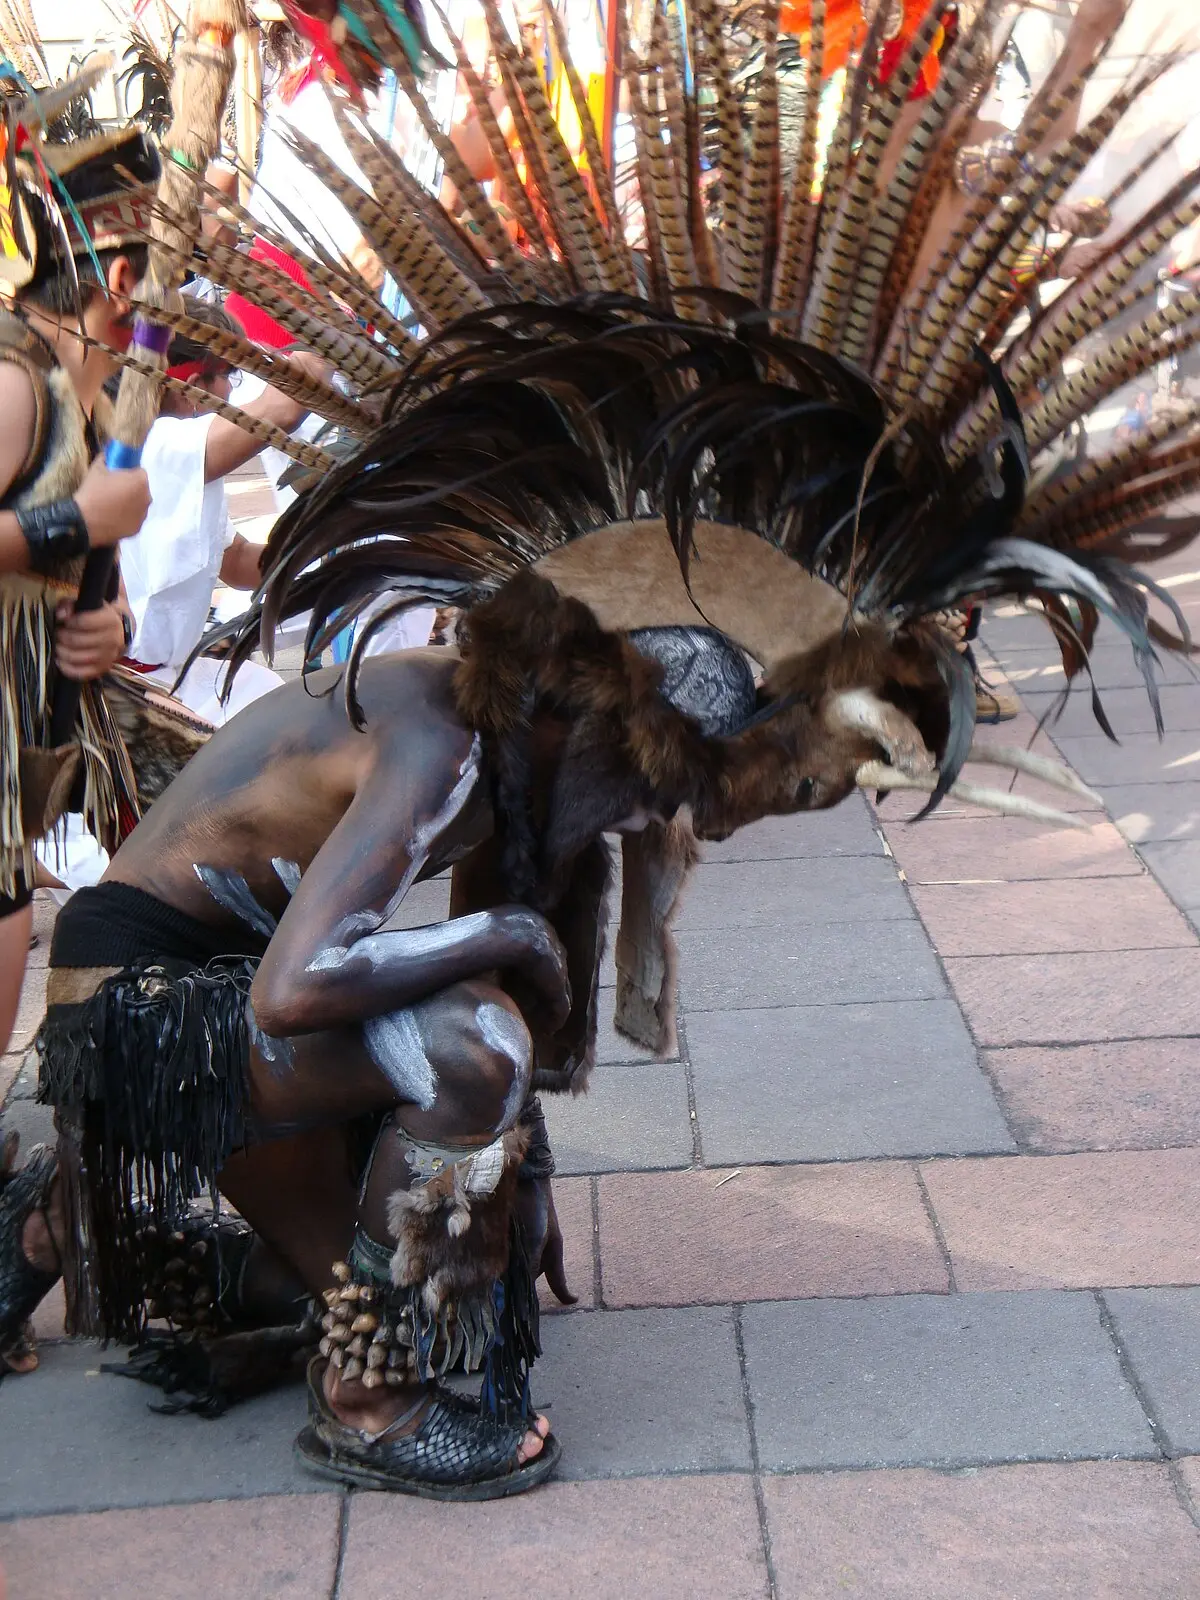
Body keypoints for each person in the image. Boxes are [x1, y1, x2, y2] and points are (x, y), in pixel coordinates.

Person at [4, 0, 1194, 1500]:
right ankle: (361, 1409)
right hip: (142, 998)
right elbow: (316, 981)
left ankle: (49, 1225)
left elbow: (392, 985)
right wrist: (505, 957)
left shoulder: (501, 740)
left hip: (208, 984)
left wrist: (492, 1172)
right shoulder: (435, 723)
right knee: (477, 1043)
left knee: (459, 1083)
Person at [0, 107, 156, 1070]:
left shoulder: (83, 399)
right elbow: (68, 529)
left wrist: (109, 620)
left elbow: (86, 584)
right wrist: (77, 524)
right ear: (127, 280)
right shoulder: (14, 379)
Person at [119, 299, 331, 723]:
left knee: (273, 698)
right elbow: (282, 410)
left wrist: (324, 561)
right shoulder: (158, 442)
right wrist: (331, 343)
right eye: (230, 376)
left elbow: (235, 562)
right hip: (129, 684)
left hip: (169, 673)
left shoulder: (177, 453)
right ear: (194, 385)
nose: (235, 390)